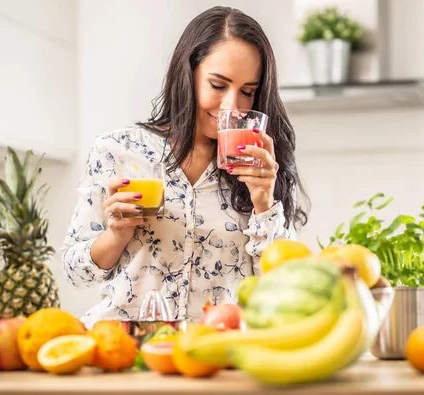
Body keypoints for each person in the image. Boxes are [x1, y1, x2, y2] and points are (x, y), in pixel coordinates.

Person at [62, 6, 310, 328]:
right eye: (218, 86)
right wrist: (115, 235)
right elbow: (74, 272)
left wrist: (264, 203)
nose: (231, 106)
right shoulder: (118, 151)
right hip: (125, 351)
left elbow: (284, 288)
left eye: (248, 92)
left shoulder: (257, 167)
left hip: (216, 354)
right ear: (187, 74)